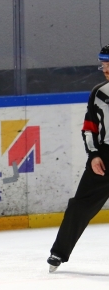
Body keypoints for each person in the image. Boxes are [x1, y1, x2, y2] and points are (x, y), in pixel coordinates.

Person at [47, 45, 109, 272]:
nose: (105, 70)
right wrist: (94, 155)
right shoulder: (99, 93)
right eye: (103, 65)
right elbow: (89, 128)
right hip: (105, 158)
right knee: (80, 206)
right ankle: (59, 252)